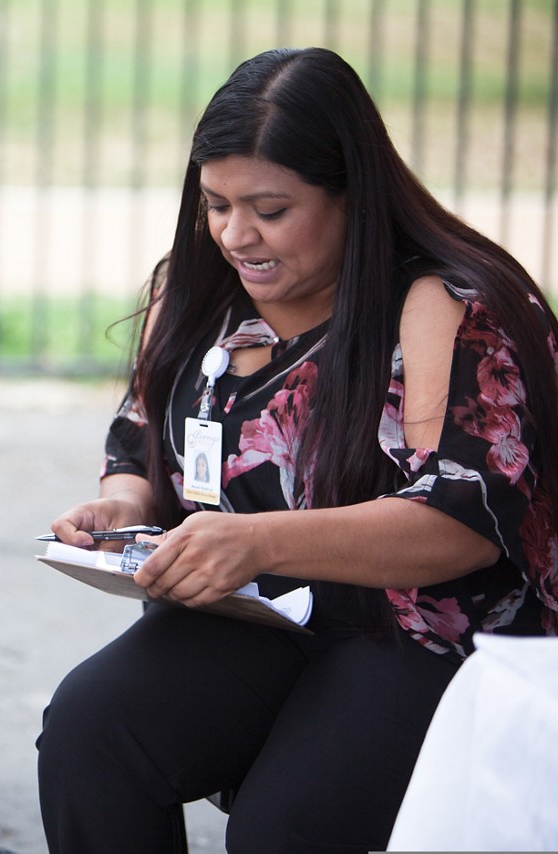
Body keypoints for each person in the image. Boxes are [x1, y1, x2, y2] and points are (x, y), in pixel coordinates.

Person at [36, 46, 558, 854]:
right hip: (261, 616)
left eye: (270, 210)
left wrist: (256, 541)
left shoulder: (447, 304)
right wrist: (125, 504)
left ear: (353, 194)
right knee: (90, 732)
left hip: (424, 634)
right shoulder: (197, 285)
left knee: (287, 827)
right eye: (215, 204)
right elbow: (141, 436)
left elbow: (458, 520)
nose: (235, 235)